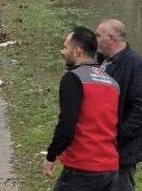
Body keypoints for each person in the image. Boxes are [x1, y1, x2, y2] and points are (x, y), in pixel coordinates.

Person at [43, 26, 121, 190]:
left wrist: (51, 156)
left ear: (77, 51)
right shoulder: (112, 83)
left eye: (65, 47)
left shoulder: (73, 78)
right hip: (111, 167)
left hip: (83, 168)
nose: (62, 51)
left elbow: (67, 123)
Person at [96, 19, 142, 191]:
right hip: (104, 143)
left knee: (121, 185)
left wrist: (118, 135)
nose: (96, 39)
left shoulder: (137, 66)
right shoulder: (104, 61)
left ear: (111, 38)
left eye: (99, 35)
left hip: (122, 147)